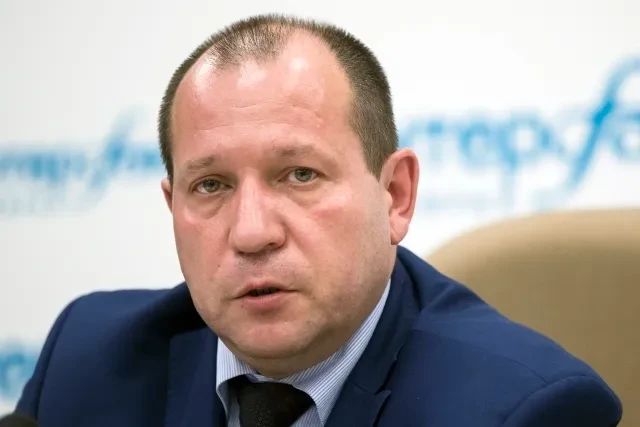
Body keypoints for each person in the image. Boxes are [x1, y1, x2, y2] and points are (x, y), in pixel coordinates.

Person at [14, 14, 622, 427]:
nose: (252, 233)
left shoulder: (523, 410)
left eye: (299, 175)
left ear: (396, 196)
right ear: (173, 206)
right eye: (211, 186)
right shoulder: (87, 360)